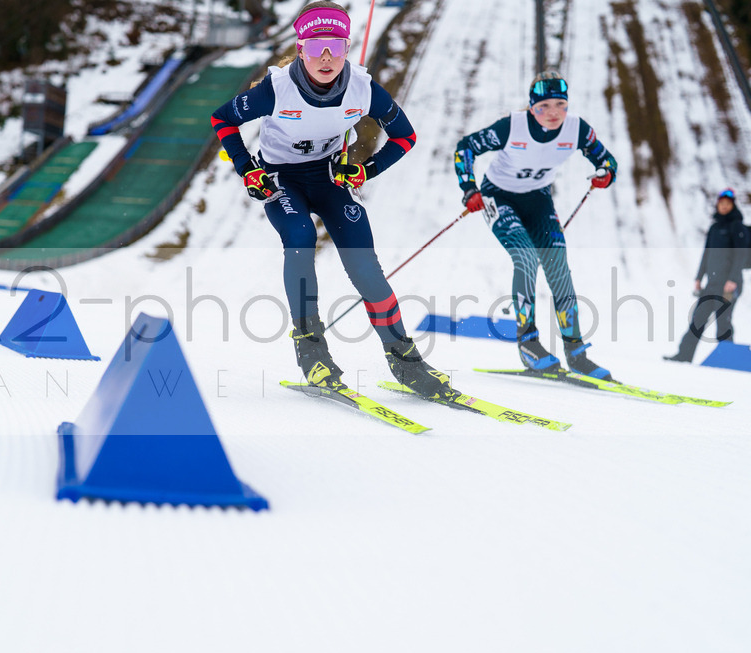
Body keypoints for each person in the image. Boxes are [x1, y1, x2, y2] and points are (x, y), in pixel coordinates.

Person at [210, 1, 456, 399]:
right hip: (281, 179)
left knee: (365, 265)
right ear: (301, 47)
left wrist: (366, 169)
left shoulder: (362, 87)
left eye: (336, 47)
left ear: (347, 46)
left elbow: (405, 137)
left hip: (326, 177)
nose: (327, 57)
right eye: (316, 47)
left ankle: (406, 361)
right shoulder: (277, 89)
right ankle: (313, 354)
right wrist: (246, 167)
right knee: (301, 238)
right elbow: (223, 119)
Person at [453, 70, 619, 380]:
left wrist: (605, 174)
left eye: (560, 105)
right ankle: (529, 344)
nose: (553, 113)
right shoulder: (511, 127)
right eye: (544, 107)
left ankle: (577, 352)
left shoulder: (577, 130)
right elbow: (465, 147)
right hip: (497, 197)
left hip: (538, 200)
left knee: (557, 265)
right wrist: (469, 188)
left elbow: (607, 161)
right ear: (532, 108)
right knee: (526, 257)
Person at [664, 188, 748, 363]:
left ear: (733, 206)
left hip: (729, 284)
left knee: (723, 322)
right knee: (698, 319)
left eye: (727, 204)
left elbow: (741, 255)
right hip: (712, 283)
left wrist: (732, 279)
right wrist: (698, 277)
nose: (724, 207)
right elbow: (706, 254)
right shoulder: (715, 228)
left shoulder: (737, 226)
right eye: (721, 204)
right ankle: (684, 356)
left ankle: (728, 360)